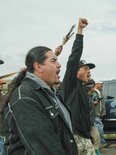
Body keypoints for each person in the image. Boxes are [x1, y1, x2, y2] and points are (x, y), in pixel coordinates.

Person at [2, 46, 77, 154]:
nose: (59, 65)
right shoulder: (25, 98)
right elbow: (46, 149)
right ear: (38, 67)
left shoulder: (51, 94)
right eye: (53, 60)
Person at [61, 18, 97, 155]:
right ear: (76, 71)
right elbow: (74, 57)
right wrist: (80, 31)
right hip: (74, 138)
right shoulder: (71, 85)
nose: (89, 71)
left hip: (84, 136)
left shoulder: (82, 88)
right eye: (86, 68)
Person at [92, 81, 109, 149]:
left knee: (98, 127)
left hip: (99, 113)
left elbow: (102, 103)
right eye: (101, 84)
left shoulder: (99, 91)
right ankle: (101, 142)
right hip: (94, 113)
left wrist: (103, 111)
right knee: (99, 126)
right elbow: (89, 101)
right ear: (96, 84)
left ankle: (100, 142)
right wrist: (93, 102)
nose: (102, 85)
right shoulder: (93, 91)